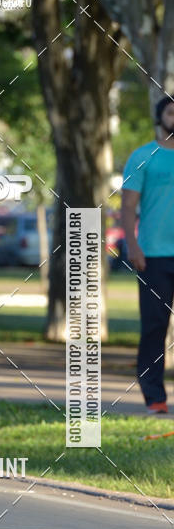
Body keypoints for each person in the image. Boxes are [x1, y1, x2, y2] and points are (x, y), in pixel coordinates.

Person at [121, 95, 174, 414]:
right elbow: (127, 207)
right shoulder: (143, 157)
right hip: (152, 254)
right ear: (160, 117)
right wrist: (133, 245)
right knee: (155, 326)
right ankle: (154, 396)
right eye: (171, 112)